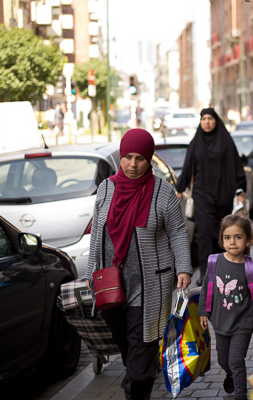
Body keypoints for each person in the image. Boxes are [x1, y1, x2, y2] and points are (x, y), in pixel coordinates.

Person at [85, 128, 193, 400]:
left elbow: (178, 231)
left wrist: (183, 267)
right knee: (126, 343)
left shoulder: (163, 191)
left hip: (150, 285)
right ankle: (137, 371)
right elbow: (97, 231)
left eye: (140, 159)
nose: (133, 165)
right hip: (110, 283)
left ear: (149, 159)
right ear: (121, 157)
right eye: (127, 157)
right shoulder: (106, 188)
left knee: (142, 350)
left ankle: (136, 385)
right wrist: (90, 271)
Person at [198, 214, 253, 400]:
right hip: (220, 321)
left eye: (238, 237)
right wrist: (203, 312)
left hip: (243, 323)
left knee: (236, 360)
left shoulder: (251, 269)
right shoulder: (214, 263)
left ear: (248, 240)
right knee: (223, 360)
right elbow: (206, 288)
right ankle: (229, 374)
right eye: (227, 237)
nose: (232, 242)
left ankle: (241, 395)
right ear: (222, 239)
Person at [176, 108, 246, 286]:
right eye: (203, 119)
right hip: (202, 195)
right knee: (205, 233)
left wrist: (240, 190)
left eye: (210, 118)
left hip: (224, 194)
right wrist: (179, 188)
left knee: (222, 233)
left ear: (216, 121)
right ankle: (206, 272)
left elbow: (237, 166)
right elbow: (187, 167)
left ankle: (224, 270)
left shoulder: (226, 141)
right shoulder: (196, 143)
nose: (207, 122)